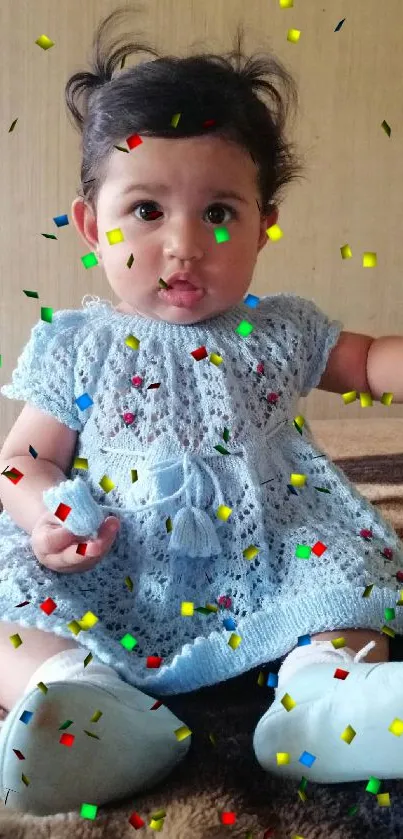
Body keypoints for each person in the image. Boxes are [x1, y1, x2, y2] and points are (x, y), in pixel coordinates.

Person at [0, 3, 402, 817]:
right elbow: (24, 457)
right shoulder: (75, 341)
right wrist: (46, 513)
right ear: (90, 224)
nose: (183, 244)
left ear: (263, 228)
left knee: (348, 573)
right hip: (116, 553)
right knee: (8, 591)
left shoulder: (279, 327)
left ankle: (324, 698)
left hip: (271, 544)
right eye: (147, 211)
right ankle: (78, 705)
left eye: (218, 212)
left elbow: (364, 361)